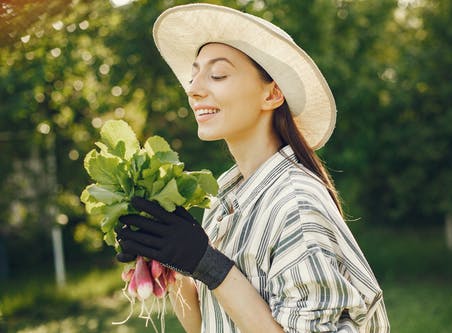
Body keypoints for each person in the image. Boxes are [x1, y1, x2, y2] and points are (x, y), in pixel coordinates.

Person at [116, 3, 390, 332]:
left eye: (217, 74)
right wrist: (168, 258)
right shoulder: (223, 201)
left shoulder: (296, 206)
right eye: (194, 75)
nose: (193, 89)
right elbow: (206, 325)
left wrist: (207, 263)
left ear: (272, 94)